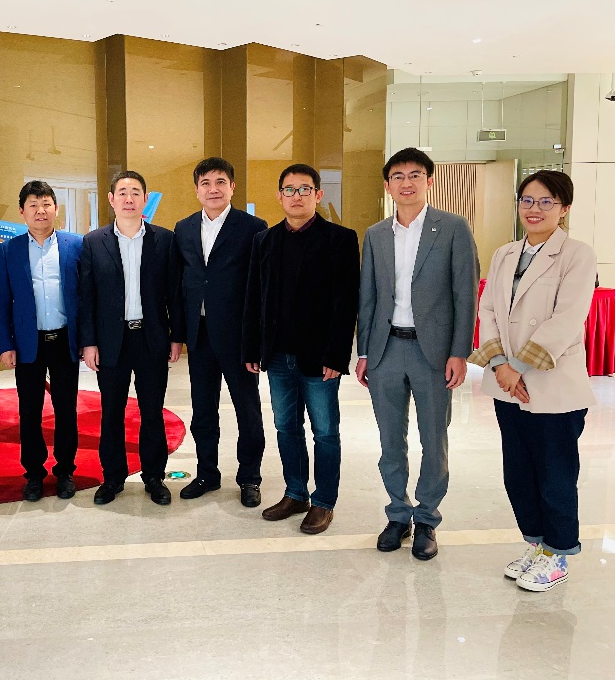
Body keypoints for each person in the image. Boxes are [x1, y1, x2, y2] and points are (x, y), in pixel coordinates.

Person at [469, 170, 596, 591]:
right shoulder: (505, 253)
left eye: (546, 202)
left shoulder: (577, 254)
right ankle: (537, 544)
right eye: (527, 200)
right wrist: (500, 365)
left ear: (564, 208)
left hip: (551, 383)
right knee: (518, 472)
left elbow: (567, 318)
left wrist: (518, 367)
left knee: (555, 473)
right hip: (507, 382)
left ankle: (558, 554)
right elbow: (487, 309)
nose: (534, 209)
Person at [356, 147, 478, 560]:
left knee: (433, 439)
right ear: (387, 185)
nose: (406, 183)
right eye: (398, 176)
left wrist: (459, 351)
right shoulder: (376, 234)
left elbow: (465, 294)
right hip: (386, 349)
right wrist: (364, 351)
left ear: (429, 180)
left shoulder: (453, 228)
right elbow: (368, 297)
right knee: (390, 440)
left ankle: (426, 518)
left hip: (434, 353)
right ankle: (397, 514)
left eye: (414, 175)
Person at [242, 164, 359, 534]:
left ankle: (324, 501)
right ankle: (296, 493)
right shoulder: (265, 240)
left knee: (324, 431)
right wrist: (253, 348)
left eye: (304, 189)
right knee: (285, 426)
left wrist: (337, 356)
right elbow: (254, 297)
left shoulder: (340, 239)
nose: (296, 196)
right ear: (280, 196)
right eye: (289, 190)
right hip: (277, 356)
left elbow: (346, 304)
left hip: (320, 358)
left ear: (318, 195)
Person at [79, 171, 185, 506]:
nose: (129, 198)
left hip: (151, 337)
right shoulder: (93, 242)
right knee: (112, 411)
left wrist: (176, 336)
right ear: (111, 199)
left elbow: (174, 293)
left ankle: (154, 477)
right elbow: (87, 297)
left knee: (152, 411)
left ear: (145, 199)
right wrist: (89, 342)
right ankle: (113, 477)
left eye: (135, 192)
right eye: (122, 192)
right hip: (111, 340)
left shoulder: (164, 240)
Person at [174, 158, 268, 508]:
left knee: (247, 410)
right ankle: (207, 473)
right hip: (199, 336)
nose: (213, 189)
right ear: (197, 189)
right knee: (203, 411)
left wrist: (256, 342)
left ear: (232, 187)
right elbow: (181, 284)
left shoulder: (253, 227)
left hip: (238, 338)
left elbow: (260, 288)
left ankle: (250, 477)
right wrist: (178, 334)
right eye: (206, 183)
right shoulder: (183, 228)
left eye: (220, 182)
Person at [0, 181, 83, 502]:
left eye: (46, 204)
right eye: (33, 205)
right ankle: (33, 474)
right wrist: (5, 344)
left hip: (65, 340)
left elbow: (87, 296)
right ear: (22, 212)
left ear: (56, 209)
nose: (40, 210)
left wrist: (87, 340)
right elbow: (1, 301)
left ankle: (65, 471)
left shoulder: (76, 245)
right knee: (29, 411)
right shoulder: (10, 250)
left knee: (66, 409)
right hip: (27, 343)